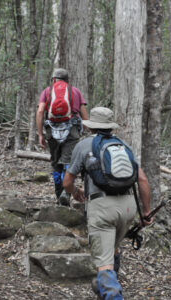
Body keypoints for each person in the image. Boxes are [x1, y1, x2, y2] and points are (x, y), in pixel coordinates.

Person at [63, 107, 152, 300]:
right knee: (113, 249)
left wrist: (76, 193)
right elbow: (143, 180)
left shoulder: (84, 145)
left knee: (104, 264)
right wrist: (146, 212)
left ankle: (111, 292)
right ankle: (105, 288)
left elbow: (67, 182)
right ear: (111, 126)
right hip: (128, 207)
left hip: (102, 208)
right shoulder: (123, 145)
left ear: (91, 127)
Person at [36, 68, 88, 206]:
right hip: (71, 130)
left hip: (51, 131)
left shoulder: (47, 91)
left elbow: (40, 111)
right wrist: (87, 131)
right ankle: (67, 192)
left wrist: (40, 134)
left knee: (55, 163)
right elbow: (84, 115)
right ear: (67, 80)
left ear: (54, 79)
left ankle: (59, 193)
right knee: (68, 162)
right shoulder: (75, 91)